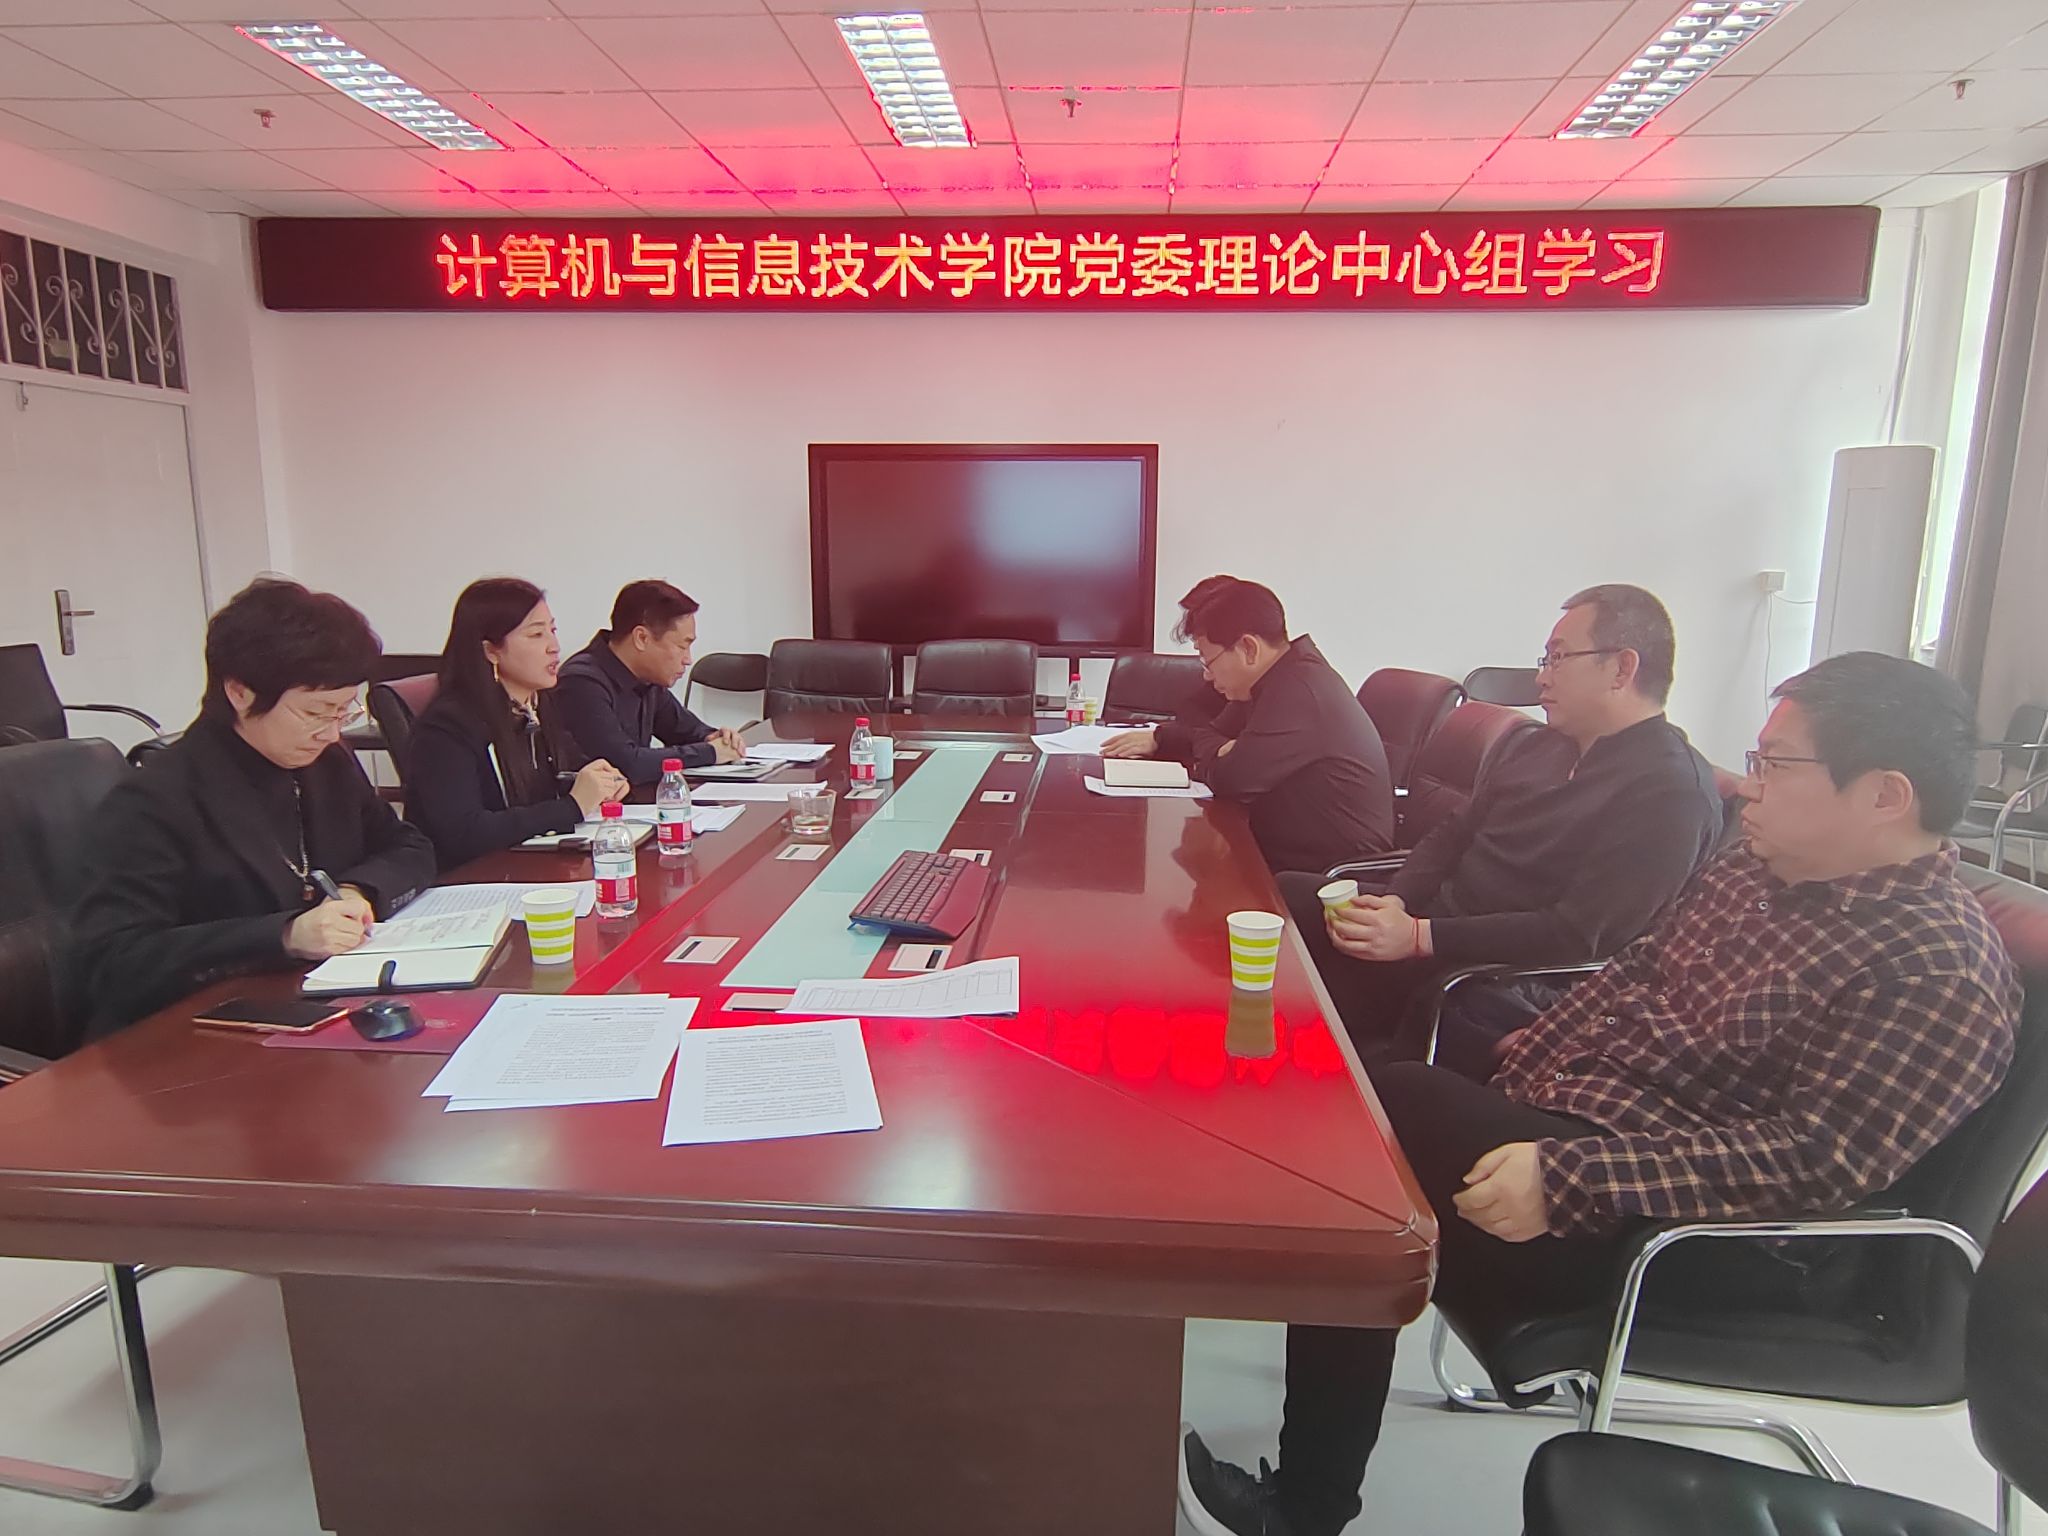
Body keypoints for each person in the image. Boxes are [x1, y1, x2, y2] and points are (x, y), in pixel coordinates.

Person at [1178, 651, 2020, 1536]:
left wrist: (1571, 1177)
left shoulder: (1937, 968)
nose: (1749, 786)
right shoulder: (1759, 872)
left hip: (1716, 1242)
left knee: (1383, 1121)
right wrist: (1523, 1071)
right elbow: (1635, 972)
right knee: (1376, 1130)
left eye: (1777, 764)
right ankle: (1293, 1451)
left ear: (1886, 796)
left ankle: (1303, 1501)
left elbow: (1814, 1162)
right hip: (1601, 1136)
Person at [1289, 584, 1725, 1068]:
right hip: (1430, 922)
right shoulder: (1542, 744)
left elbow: (1578, 935)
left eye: (1558, 658)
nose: (1542, 678)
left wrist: (1418, 938)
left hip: (1492, 970)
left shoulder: (1669, 792)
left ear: (1622, 668)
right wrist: (1397, 899)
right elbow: (1454, 832)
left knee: (1302, 1017)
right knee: (1288, 899)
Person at [67, 578, 438, 1040]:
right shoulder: (155, 800)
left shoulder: (325, 763)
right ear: (240, 693)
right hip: (188, 1042)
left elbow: (409, 844)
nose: (331, 733)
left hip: (309, 1013)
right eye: (315, 713)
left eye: (344, 712)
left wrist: (356, 890)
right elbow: (113, 961)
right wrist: (284, 936)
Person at [1160, 578, 1393, 875]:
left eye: (1208, 660)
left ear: (1248, 648)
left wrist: (1221, 753)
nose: (1207, 675)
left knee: (1189, 870)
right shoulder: (1272, 679)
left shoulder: (1299, 689)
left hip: (1325, 875)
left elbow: (1230, 780)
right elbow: (1208, 733)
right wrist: (1220, 749)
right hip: (1282, 851)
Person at [405, 578, 629, 869]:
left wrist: (601, 782)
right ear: (491, 651)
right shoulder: (446, 727)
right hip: (472, 878)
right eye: (536, 634)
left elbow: (563, 774)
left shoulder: (538, 704)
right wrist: (572, 806)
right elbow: (463, 833)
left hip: (531, 864)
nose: (554, 647)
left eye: (552, 630)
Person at [553, 580, 746, 787]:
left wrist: (714, 737)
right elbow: (627, 764)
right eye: (682, 646)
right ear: (642, 638)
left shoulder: (647, 678)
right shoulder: (581, 682)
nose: (688, 659)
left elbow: (686, 730)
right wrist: (711, 752)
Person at [1102, 575, 1238, 761]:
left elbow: (1231, 744)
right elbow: (1194, 716)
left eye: (1198, 625)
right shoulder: (1219, 679)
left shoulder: (1256, 688)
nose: (1194, 641)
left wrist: (1166, 740)